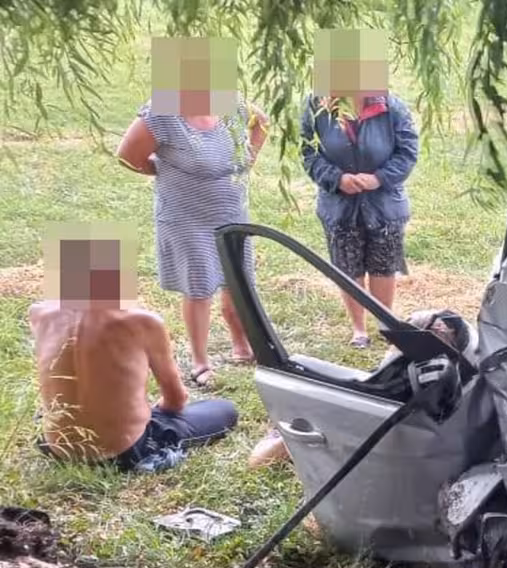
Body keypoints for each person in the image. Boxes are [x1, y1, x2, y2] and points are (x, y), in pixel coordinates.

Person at [116, 36, 268, 387]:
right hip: (186, 215)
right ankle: (200, 361)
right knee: (199, 286)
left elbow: (261, 122)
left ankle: (242, 345)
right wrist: (161, 171)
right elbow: (128, 156)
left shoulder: (230, 103)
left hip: (231, 209)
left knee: (238, 280)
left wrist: (249, 156)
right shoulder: (161, 113)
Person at [31, 225, 238, 472]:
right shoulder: (141, 322)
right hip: (124, 452)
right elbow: (175, 400)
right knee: (225, 410)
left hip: (57, 448)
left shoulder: (39, 314)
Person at [301, 29, 419, 346]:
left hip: (384, 204)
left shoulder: (391, 107)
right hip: (339, 205)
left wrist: (379, 178)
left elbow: (408, 152)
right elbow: (308, 152)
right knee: (347, 265)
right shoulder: (316, 107)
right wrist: (336, 179)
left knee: (383, 264)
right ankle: (359, 329)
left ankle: (385, 323)